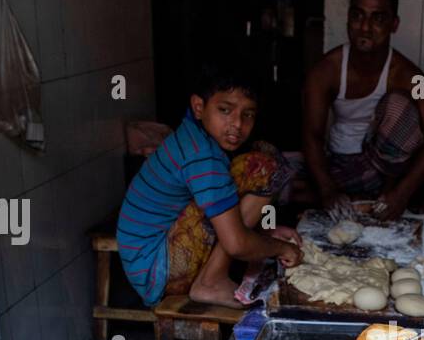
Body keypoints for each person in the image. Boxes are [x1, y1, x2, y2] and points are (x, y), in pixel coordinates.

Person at [116, 61, 301, 308]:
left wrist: (264, 232)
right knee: (262, 166)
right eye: (225, 110)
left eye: (247, 115)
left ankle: (223, 265)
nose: (237, 124)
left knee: (263, 155)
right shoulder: (203, 156)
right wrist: (281, 249)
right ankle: (210, 282)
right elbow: (235, 245)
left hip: (151, 257)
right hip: (158, 271)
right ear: (199, 106)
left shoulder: (194, 131)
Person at [301, 0, 424, 221]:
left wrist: (402, 192)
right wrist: (327, 189)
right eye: (358, 16)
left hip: (387, 173)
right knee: (274, 173)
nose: (365, 27)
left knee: (400, 105)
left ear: (394, 24)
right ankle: (356, 199)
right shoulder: (326, 71)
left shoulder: (411, 78)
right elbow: (311, 133)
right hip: (340, 165)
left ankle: (382, 198)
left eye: (377, 18)